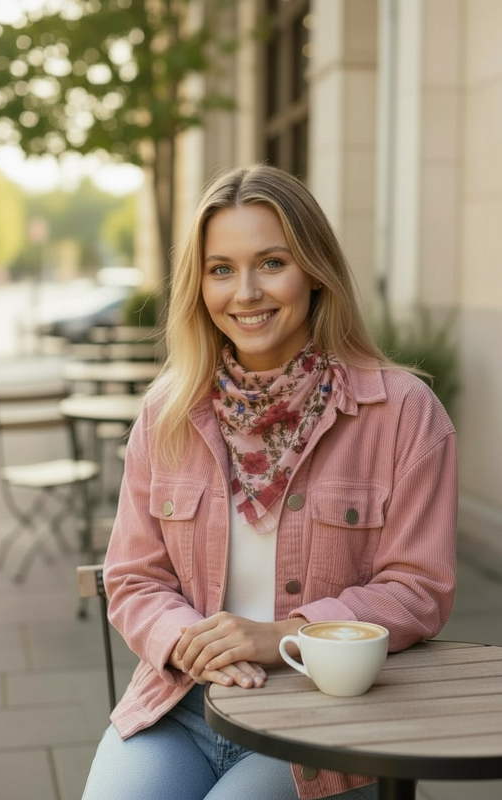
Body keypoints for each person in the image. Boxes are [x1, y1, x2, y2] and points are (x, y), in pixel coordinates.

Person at [82, 164, 457, 800]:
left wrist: (282, 636)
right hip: (181, 707)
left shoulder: (403, 413)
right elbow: (132, 578)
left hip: (323, 722)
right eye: (221, 268)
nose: (246, 291)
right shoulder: (166, 412)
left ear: (315, 270)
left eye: (272, 262)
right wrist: (190, 644)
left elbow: (417, 589)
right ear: (199, 285)